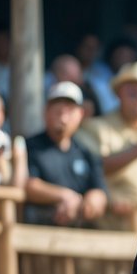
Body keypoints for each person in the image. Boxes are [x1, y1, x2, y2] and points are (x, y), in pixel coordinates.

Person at [75, 61, 137, 230]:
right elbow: (93, 168)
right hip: (112, 229)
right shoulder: (96, 128)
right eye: (132, 90)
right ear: (118, 93)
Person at [22, 82, 108, 227]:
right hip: (39, 228)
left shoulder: (86, 152)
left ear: (80, 114)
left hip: (81, 234)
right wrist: (65, 196)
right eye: (58, 109)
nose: (63, 116)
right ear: (46, 112)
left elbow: (99, 190)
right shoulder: (29, 146)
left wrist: (93, 200)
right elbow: (29, 185)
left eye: (69, 110)